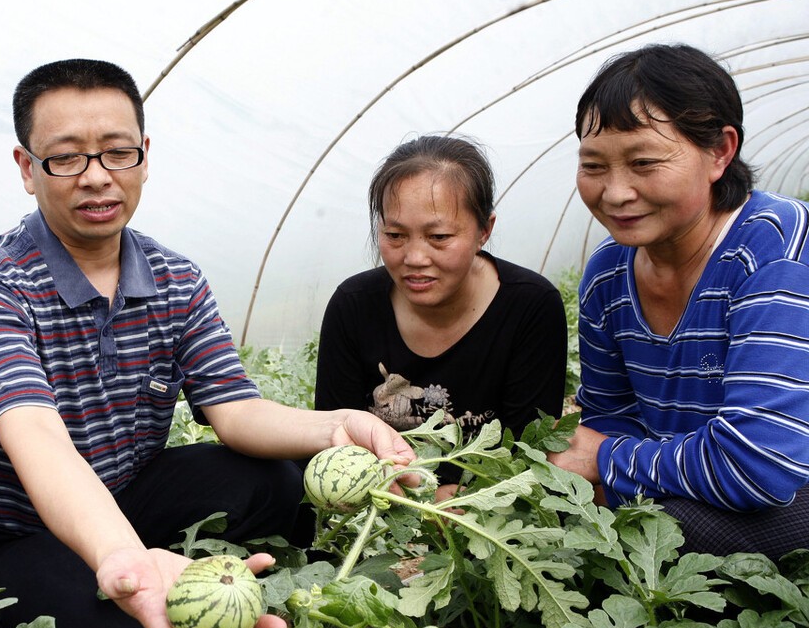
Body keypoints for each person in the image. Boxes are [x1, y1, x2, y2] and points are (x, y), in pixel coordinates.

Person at [0, 58, 415, 628]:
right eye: (67, 158)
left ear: (144, 155)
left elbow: (236, 409)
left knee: (275, 479)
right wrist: (122, 559)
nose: (98, 175)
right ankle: (38, 619)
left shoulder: (173, 277)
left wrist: (336, 427)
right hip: (12, 534)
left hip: (126, 494)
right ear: (26, 167)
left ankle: (231, 586)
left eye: (116, 152)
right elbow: (36, 435)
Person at [549, 43, 809, 559]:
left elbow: (759, 464)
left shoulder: (772, 249)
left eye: (644, 162)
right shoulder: (606, 276)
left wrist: (610, 464)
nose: (616, 192)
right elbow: (610, 416)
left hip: (790, 485)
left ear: (720, 151)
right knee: (575, 509)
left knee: (664, 530)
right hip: (690, 478)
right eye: (594, 165)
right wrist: (605, 464)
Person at [315, 134, 567, 489]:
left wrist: (458, 500)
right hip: (379, 501)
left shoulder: (530, 307)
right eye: (395, 235)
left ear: (484, 230)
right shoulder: (353, 305)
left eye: (439, 237)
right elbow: (334, 437)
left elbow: (528, 455)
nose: (415, 259)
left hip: (483, 513)